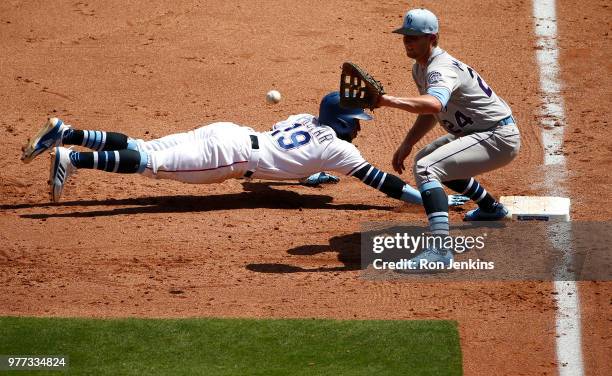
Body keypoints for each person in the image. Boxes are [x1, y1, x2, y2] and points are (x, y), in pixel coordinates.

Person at [20, 92, 469, 211]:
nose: (359, 128)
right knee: (151, 164)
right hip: (232, 157)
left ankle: (68, 132)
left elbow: (289, 158)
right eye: (357, 121)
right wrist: (433, 199)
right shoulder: (339, 152)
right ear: (343, 122)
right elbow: (387, 186)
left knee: (143, 146)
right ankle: (75, 158)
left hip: (228, 131)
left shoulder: (303, 119)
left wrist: (306, 177)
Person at [375, 8, 521, 266]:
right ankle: (490, 208)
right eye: (405, 36)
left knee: (427, 168)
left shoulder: (440, 69)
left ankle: (440, 251)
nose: (407, 41)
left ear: (432, 38)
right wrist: (407, 142)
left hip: (497, 136)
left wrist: (387, 101)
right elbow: (434, 111)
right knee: (426, 158)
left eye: (414, 36)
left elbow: (432, 104)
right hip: (481, 133)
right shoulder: (420, 68)